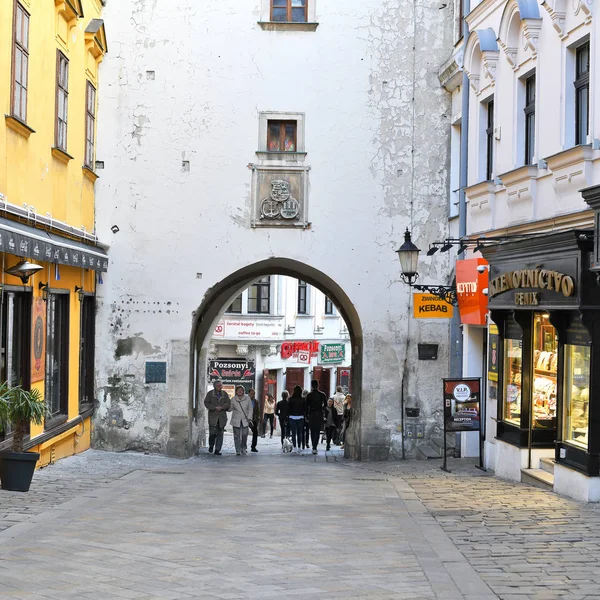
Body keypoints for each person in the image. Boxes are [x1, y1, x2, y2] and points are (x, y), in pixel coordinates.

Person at [203, 379, 231, 456]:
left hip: (221, 417)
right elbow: (206, 403)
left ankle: (217, 449)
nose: (220, 387)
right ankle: (211, 445)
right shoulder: (210, 394)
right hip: (213, 417)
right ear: (215, 386)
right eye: (218, 386)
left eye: (221, 385)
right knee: (212, 433)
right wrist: (214, 407)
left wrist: (222, 407)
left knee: (220, 434)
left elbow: (228, 403)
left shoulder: (224, 394)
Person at [229, 385, 253, 456]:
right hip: (236, 419)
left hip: (245, 419)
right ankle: (238, 449)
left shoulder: (247, 398)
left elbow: (250, 408)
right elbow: (230, 408)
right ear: (236, 391)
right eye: (238, 390)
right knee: (236, 436)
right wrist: (227, 406)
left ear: (243, 391)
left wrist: (249, 417)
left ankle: (243, 448)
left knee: (244, 434)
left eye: (241, 390)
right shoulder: (233, 399)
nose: (240, 391)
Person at [306, 379, 327, 454]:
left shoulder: (309, 395)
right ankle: (315, 446)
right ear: (318, 385)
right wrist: (323, 412)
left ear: (312, 386)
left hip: (311, 414)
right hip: (319, 414)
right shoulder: (322, 394)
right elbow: (325, 405)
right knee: (317, 431)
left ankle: (313, 447)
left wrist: (306, 415)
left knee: (312, 431)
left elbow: (306, 406)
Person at [288, 385, 305, 454]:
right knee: (299, 433)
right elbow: (305, 409)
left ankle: (294, 447)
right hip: (300, 417)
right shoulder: (303, 399)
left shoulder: (290, 399)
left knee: (293, 433)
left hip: (292, 417)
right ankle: (299, 447)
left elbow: (288, 409)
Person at [249, 389, 260, 453]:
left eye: (254, 394)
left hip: (254, 419)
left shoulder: (256, 402)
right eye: (251, 394)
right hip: (246, 418)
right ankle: (243, 446)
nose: (253, 395)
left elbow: (258, 411)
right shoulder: (246, 401)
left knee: (255, 432)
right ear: (249, 394)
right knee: (244, 433)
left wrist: (258, 419)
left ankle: (253, 447)